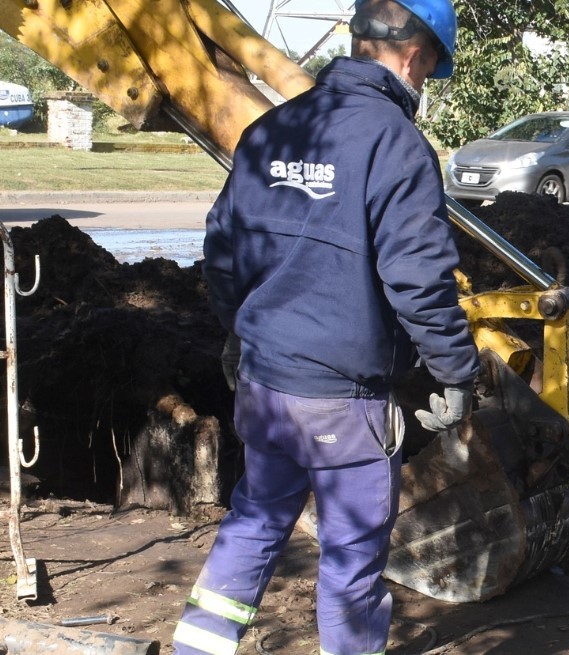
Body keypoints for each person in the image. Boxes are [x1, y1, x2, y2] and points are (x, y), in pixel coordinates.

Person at [172, 1, 480, 653]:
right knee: (351, 559)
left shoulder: (273, 129)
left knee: (255, 520)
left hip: (266, 384)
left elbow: (222, 246)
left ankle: (197, 646)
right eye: (429, 71)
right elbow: (418, 278)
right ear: (415, 56)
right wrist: (455, 371)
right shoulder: (396, 144)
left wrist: (240, 330)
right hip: (344, 401)